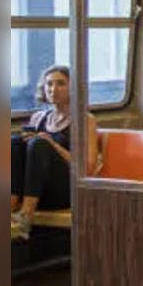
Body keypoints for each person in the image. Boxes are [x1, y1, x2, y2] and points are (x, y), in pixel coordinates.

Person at [10, 65, 97, 239]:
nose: (53, 89)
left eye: (61, 84)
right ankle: (11, 204)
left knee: (40, 143)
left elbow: (88, 165)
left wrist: (52, 144)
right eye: (49, 84)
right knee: (15, 142)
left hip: (64, 191)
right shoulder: (39, 118)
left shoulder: (85, 120)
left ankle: (25, 216)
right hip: (38, 189)